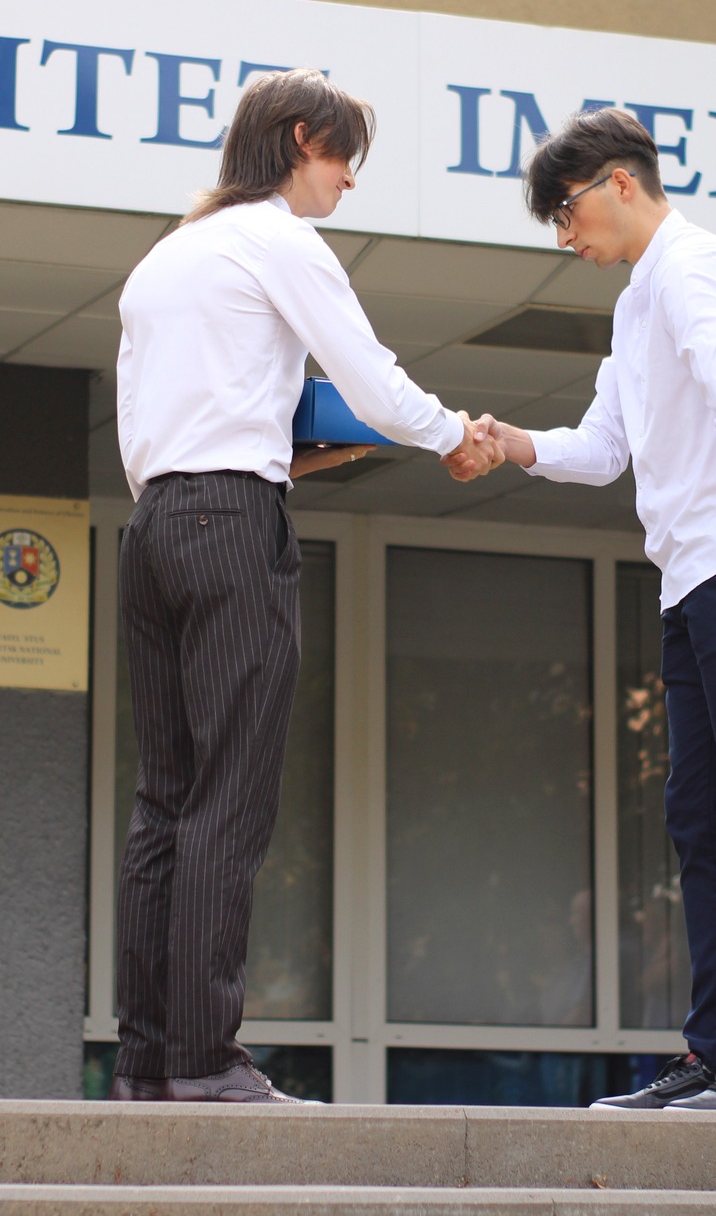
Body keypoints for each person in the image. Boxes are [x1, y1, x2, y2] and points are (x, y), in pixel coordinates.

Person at [112, 69, 504, 1104]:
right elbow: (370, 380)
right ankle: (205, 1060)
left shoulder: (167, 256)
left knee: (163, 801)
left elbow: (166, 420)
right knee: (229, 797)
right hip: (231, 526)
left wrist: (284, 458)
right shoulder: (278, 238)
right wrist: (450, 436)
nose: (348, 182)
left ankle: (146, 1061)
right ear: (298, 139)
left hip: (152, 527)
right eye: (343, 159)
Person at [471, 108, 716, 1112]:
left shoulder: (695, 263)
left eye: (566, 211)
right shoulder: (635, 304)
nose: (563, 236)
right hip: (692, 575)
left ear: (620, 182)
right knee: (698, 819)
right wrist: (512, 443)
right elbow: (602, 450)